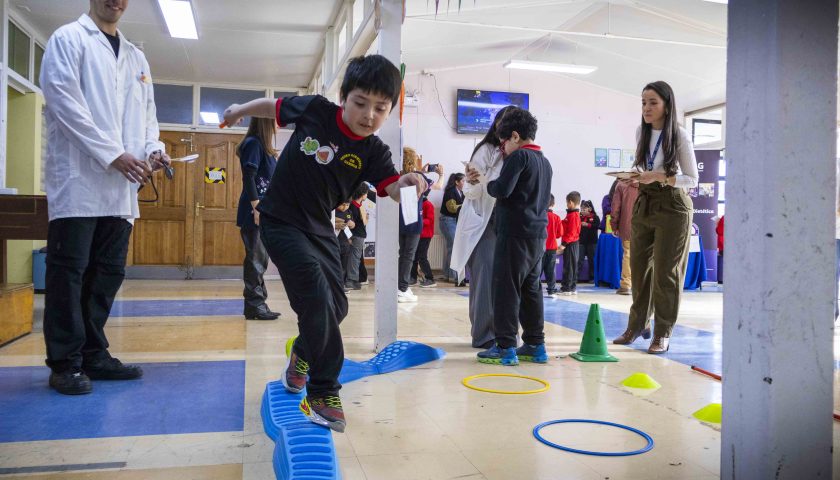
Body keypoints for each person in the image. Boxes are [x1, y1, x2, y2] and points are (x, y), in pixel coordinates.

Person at [222, 54, 427, 432]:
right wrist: (238, 110)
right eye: (360, 103)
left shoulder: (375, 152)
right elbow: (272, 107)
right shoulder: (316, 110)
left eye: (380, 109)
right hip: (280, 220)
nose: (369, 115)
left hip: (320, 230)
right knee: (316, 297)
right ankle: (322, 391)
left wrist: (409, 181)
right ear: (345, 97)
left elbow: (391, 188)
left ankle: (301, 354)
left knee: (338, 306)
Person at [39, 0, 171, 395]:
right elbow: (65, 106)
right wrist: (112, 154)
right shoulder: (68, 40)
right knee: (69, 273)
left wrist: (154, 149)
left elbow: (148, 116)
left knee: (106, 274)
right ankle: (65, 362)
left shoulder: (137, 58)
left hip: (122, 187)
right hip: (78, 182)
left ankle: (94, 354)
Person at [613, 80, 698, 354]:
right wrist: (635, 175)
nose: (646, 108)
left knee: (666, 274)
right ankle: (638, 325)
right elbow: (645, 165)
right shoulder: (642, 131)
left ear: (667, 105)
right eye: (643, 102)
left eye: (653, 103)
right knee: (639, 269)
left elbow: (693, 180)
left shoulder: (680, 136)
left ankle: (663, 332)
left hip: (673, 205)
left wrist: (662, 176)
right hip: (645, 200)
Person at [475, 107, 552, 366]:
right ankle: (535, 344)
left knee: (506, 289)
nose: (502, 148)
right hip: (537, 235)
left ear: (515, 137)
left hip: (514, 234)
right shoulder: (544, 161)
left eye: (503, 142)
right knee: (531, 290)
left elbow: (502, 190)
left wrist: (486, 180)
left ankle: (505, 346)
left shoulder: (518, 158)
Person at [451, 106, 514, 348]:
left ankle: (505, 333)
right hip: (484, 222)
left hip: (510, 221)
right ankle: (484, 335)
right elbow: (471, 190)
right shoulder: (486, 150)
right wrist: (476, 179)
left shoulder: (519, 153)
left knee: (506, 281)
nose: (504, 129)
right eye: (501, 122)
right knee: (485, 277)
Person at [236, 118, 281, 320]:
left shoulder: (263, 147)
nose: (278, 124)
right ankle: (255, 305)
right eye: (276, 121)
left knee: (260, 259)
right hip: (255, 211)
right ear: (266, 122)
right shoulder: (254, 143)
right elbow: (249, 177)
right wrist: (256, 207)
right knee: (255, 259)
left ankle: (259, 303)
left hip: (264, 210)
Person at [397, 146, 429, 302]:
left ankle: (400, 286)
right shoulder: (417, 176)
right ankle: (402, 288)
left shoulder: (398, 176)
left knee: (403, 254)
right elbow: (435, 186)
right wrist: (441, 174)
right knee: (409, 255)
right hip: (413, 220)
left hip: (400, 220)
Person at [610, 181, 640, 295]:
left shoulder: (622, 185)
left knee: (628, 255)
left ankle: (626, 286)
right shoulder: (649, 183)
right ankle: (643, 285)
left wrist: (614, 225)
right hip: (646, 226)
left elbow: (615, 208)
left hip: (628, 226)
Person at [440, 173, 465, 284]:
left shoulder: (461, 193)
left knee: (451, 247)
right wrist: (464, 205)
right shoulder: (450, 192)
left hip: (453, 221)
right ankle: (453, 276)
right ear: (457, 182)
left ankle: (447, 274)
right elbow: (452, 208)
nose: (465, 183)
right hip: (447, 220)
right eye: (463, 181)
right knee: (454, 248)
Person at [345, 185, 370, 290]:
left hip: (360, 236)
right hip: (356, 236)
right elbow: (349, 223)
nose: (367, 195)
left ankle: (354, 279)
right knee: (354, 258)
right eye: (366, 193)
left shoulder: (359, 206)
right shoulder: (353, 207)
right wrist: (349, 237)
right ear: (362, 194)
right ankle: (351, 280)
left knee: (356, 258)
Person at [412, 193, 437, 287]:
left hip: (425, 235)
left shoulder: (428, 205)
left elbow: (430, 220)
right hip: (417, 234)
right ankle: (413, 278)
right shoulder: (416, 204)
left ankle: (430, 278)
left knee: (422, 257)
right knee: (414, 257)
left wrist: (419, 221)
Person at [559, 192, 581, 295]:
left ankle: (567, 288)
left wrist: (563, 244)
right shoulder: (572, 215)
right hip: (572, 244)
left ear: (571, 202)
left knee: (569, 266)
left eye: (567, 203)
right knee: (571, 265)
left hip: (571, 244)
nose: (566, 205)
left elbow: (571, 233)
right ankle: (571, 287)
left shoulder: (573, 215)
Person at [543, 194, 564, 296]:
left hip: (540, 248)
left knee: (537, 269)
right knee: (551, 270)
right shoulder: (556, 218)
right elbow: (560, 234)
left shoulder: (540, 216)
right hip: (552, 248)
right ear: (553, 204)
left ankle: (535, 290)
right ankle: (551, 290)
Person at [334, 200, 354, 291]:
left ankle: (341, 285)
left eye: (347, 205)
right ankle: (335, 285)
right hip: (335, 241)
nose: (345, 207)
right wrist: (336, 225)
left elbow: (353, 225)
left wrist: (351, 224)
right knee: (335, 264)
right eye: (342, 205)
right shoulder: (333, 212)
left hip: (345, 242)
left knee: (344, 265)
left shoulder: (349, 213)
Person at [578, 200, 599, 283]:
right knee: (579, 260)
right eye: (581, 208)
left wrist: (588, 225)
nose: (582, 210)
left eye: (584, 208)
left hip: (592, 242)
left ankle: (592, 277)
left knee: (592, 260)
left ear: (590, 209)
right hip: (581, 242)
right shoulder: (578, 217)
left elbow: (597, 225)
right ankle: (575, 277)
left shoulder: (595, 217)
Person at [715, 215, 724, 285]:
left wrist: (717, 223)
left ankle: (721, 279)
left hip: (723, 244)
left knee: (723, 262)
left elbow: (719, 231)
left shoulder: (724, 217)